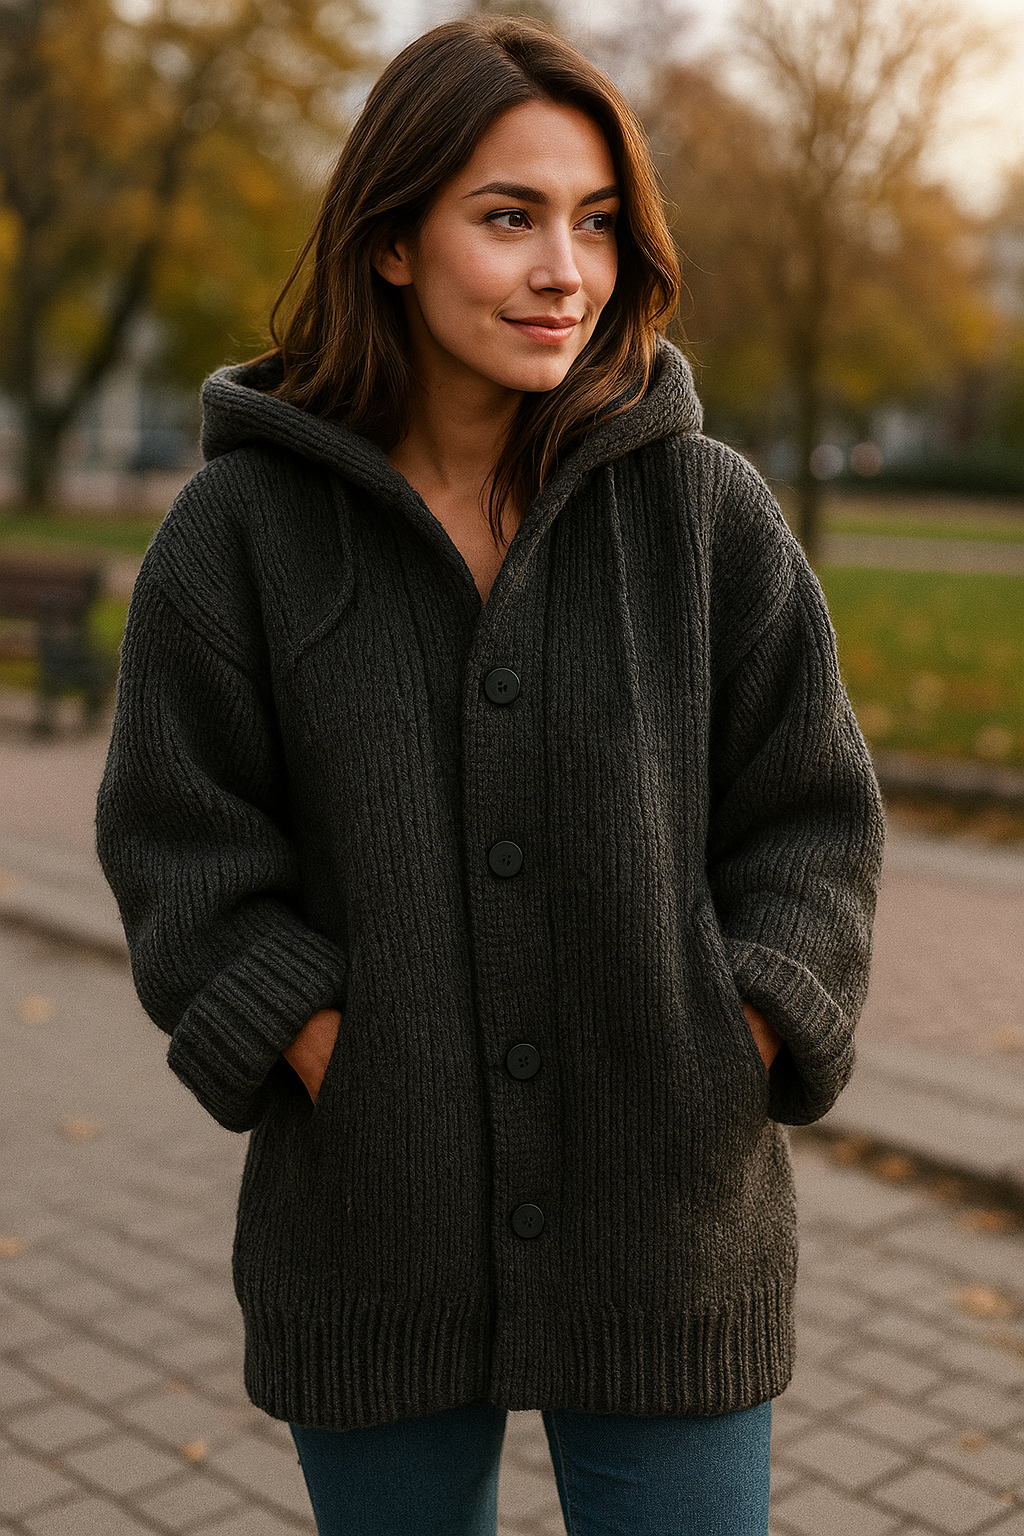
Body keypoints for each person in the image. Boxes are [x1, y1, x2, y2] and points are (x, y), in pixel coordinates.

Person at [96, 16, 885, 1535]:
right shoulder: (241, 535)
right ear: (392, 243)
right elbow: (176, 848)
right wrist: (321, 1042)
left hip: (672, 1224)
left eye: (595, 224)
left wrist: (753, 1020)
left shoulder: (703, 516)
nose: (564, 273)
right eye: (508, 217)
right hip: (371, 1229)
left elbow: (813, 815)